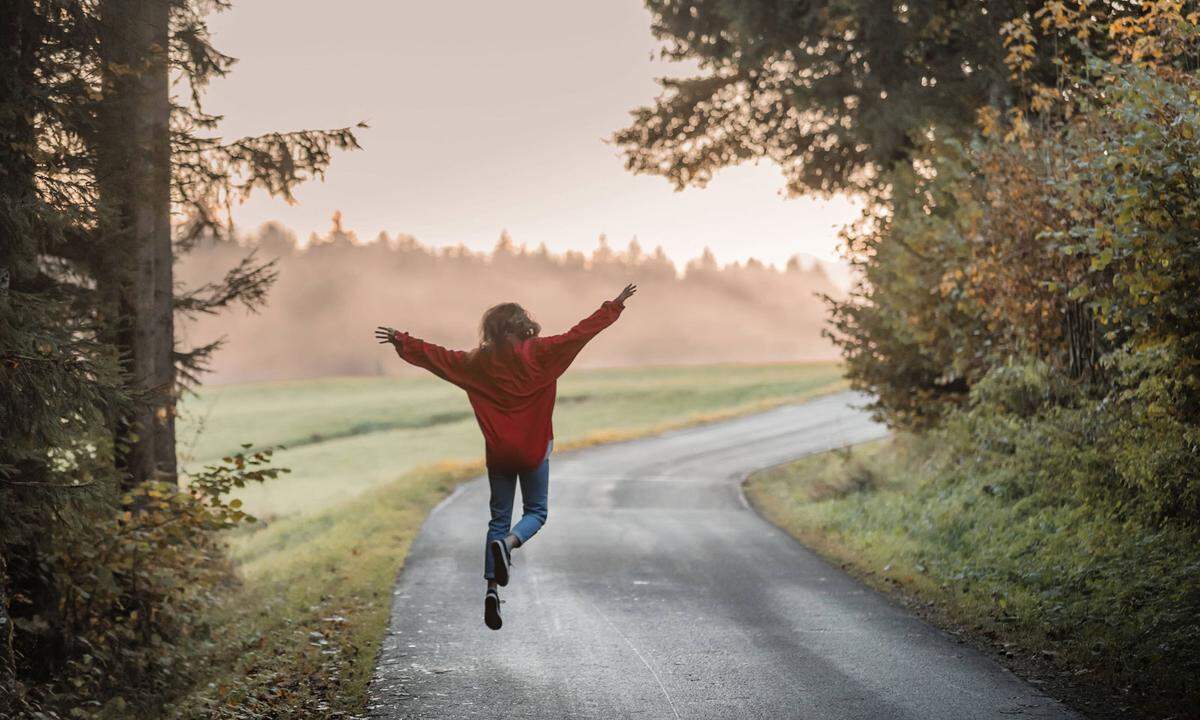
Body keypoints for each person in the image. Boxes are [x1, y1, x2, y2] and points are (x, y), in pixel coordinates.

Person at [375, 284, 636, 630]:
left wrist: (402, 340)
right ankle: (509, 545)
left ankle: (491, 589)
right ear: (521, 326)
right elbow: (579, 334)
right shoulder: (542, 353)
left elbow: (438, 357)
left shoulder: (477, 363)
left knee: (497, 519)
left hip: (499, 453)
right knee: (536, 513)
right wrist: (613, 306)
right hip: (533, 450)